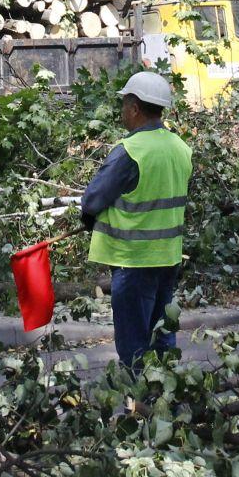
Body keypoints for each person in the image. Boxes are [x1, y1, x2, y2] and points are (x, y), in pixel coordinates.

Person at [80, 70, 192, 370]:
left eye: (124, 105)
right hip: (168, 258)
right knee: (162, 334)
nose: (122, 112)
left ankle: (139, 394)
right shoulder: (181, 148)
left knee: (134, 344)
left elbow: (92, 200)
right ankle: (165, 390)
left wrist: (89, 217)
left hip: (133, 261)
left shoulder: (130, 151)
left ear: (135, 108)